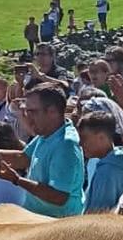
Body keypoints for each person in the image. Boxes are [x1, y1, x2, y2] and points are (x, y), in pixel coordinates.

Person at [9, 83, 85, 217]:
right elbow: (23, 158)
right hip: (39, 221)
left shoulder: (66, 145)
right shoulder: (46, 134)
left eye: (32, 112)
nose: (27, 116)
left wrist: (17, 180)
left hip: (57, 227)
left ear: (52, 111)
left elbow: (59, 197)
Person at [78, 113, 123, 213]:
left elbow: (97, 215)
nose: (80, 143)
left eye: (84, 138)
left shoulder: (107, 171)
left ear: (101, 137)